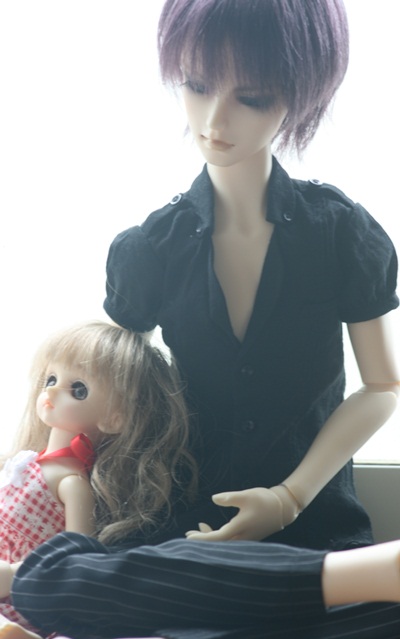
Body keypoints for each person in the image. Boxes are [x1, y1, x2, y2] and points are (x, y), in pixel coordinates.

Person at [8, 1, 400, 638]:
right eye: (196, 85)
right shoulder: (150, 250)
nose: (214, 121)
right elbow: (111, 384)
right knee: (148, 585)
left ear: (300, 97)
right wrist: (52, 467)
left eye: (252, 96)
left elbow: (383, 386)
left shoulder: (340, 236)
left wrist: (290, 496)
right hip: (181, 528)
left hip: (314, 527)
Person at [0, 320, 196, 636]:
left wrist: (12, 574)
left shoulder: (72, 484)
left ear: (114, 419)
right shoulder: (24, 460)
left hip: (20, 590)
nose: (51, 390)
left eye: (78, 389)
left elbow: (75, 558)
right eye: (51, 378)